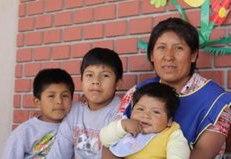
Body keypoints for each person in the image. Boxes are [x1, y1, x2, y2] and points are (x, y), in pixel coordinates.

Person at [103, 17, 231, 159]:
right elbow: (109, 144)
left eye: (178, 48)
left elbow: (203, 153)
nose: (168, 56)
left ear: (193, 55)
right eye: (161, 48)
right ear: (152, 55)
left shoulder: (217, 101)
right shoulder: (136, 92)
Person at [46, 47, 123, 159]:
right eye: (89, 75)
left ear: (118, 84)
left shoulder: (120, 112)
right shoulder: (75, 111)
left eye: (105, 75)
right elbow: (58, 153)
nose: (96, 81)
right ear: (81, 80)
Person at [100, 82, 190, 159]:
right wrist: (122, 127)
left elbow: (178, 154)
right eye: (140, 109)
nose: (146, 116)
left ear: (169, 121)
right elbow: (104, 139)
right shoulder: (126, 125)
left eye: (156, 112)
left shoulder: (171, 134)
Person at [2, 68, 75, 159]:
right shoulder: (25, 132)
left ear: (72, 100)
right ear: (37, 102)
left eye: (65, 96)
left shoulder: (75, 126)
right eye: (51, 96)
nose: (59, 101)